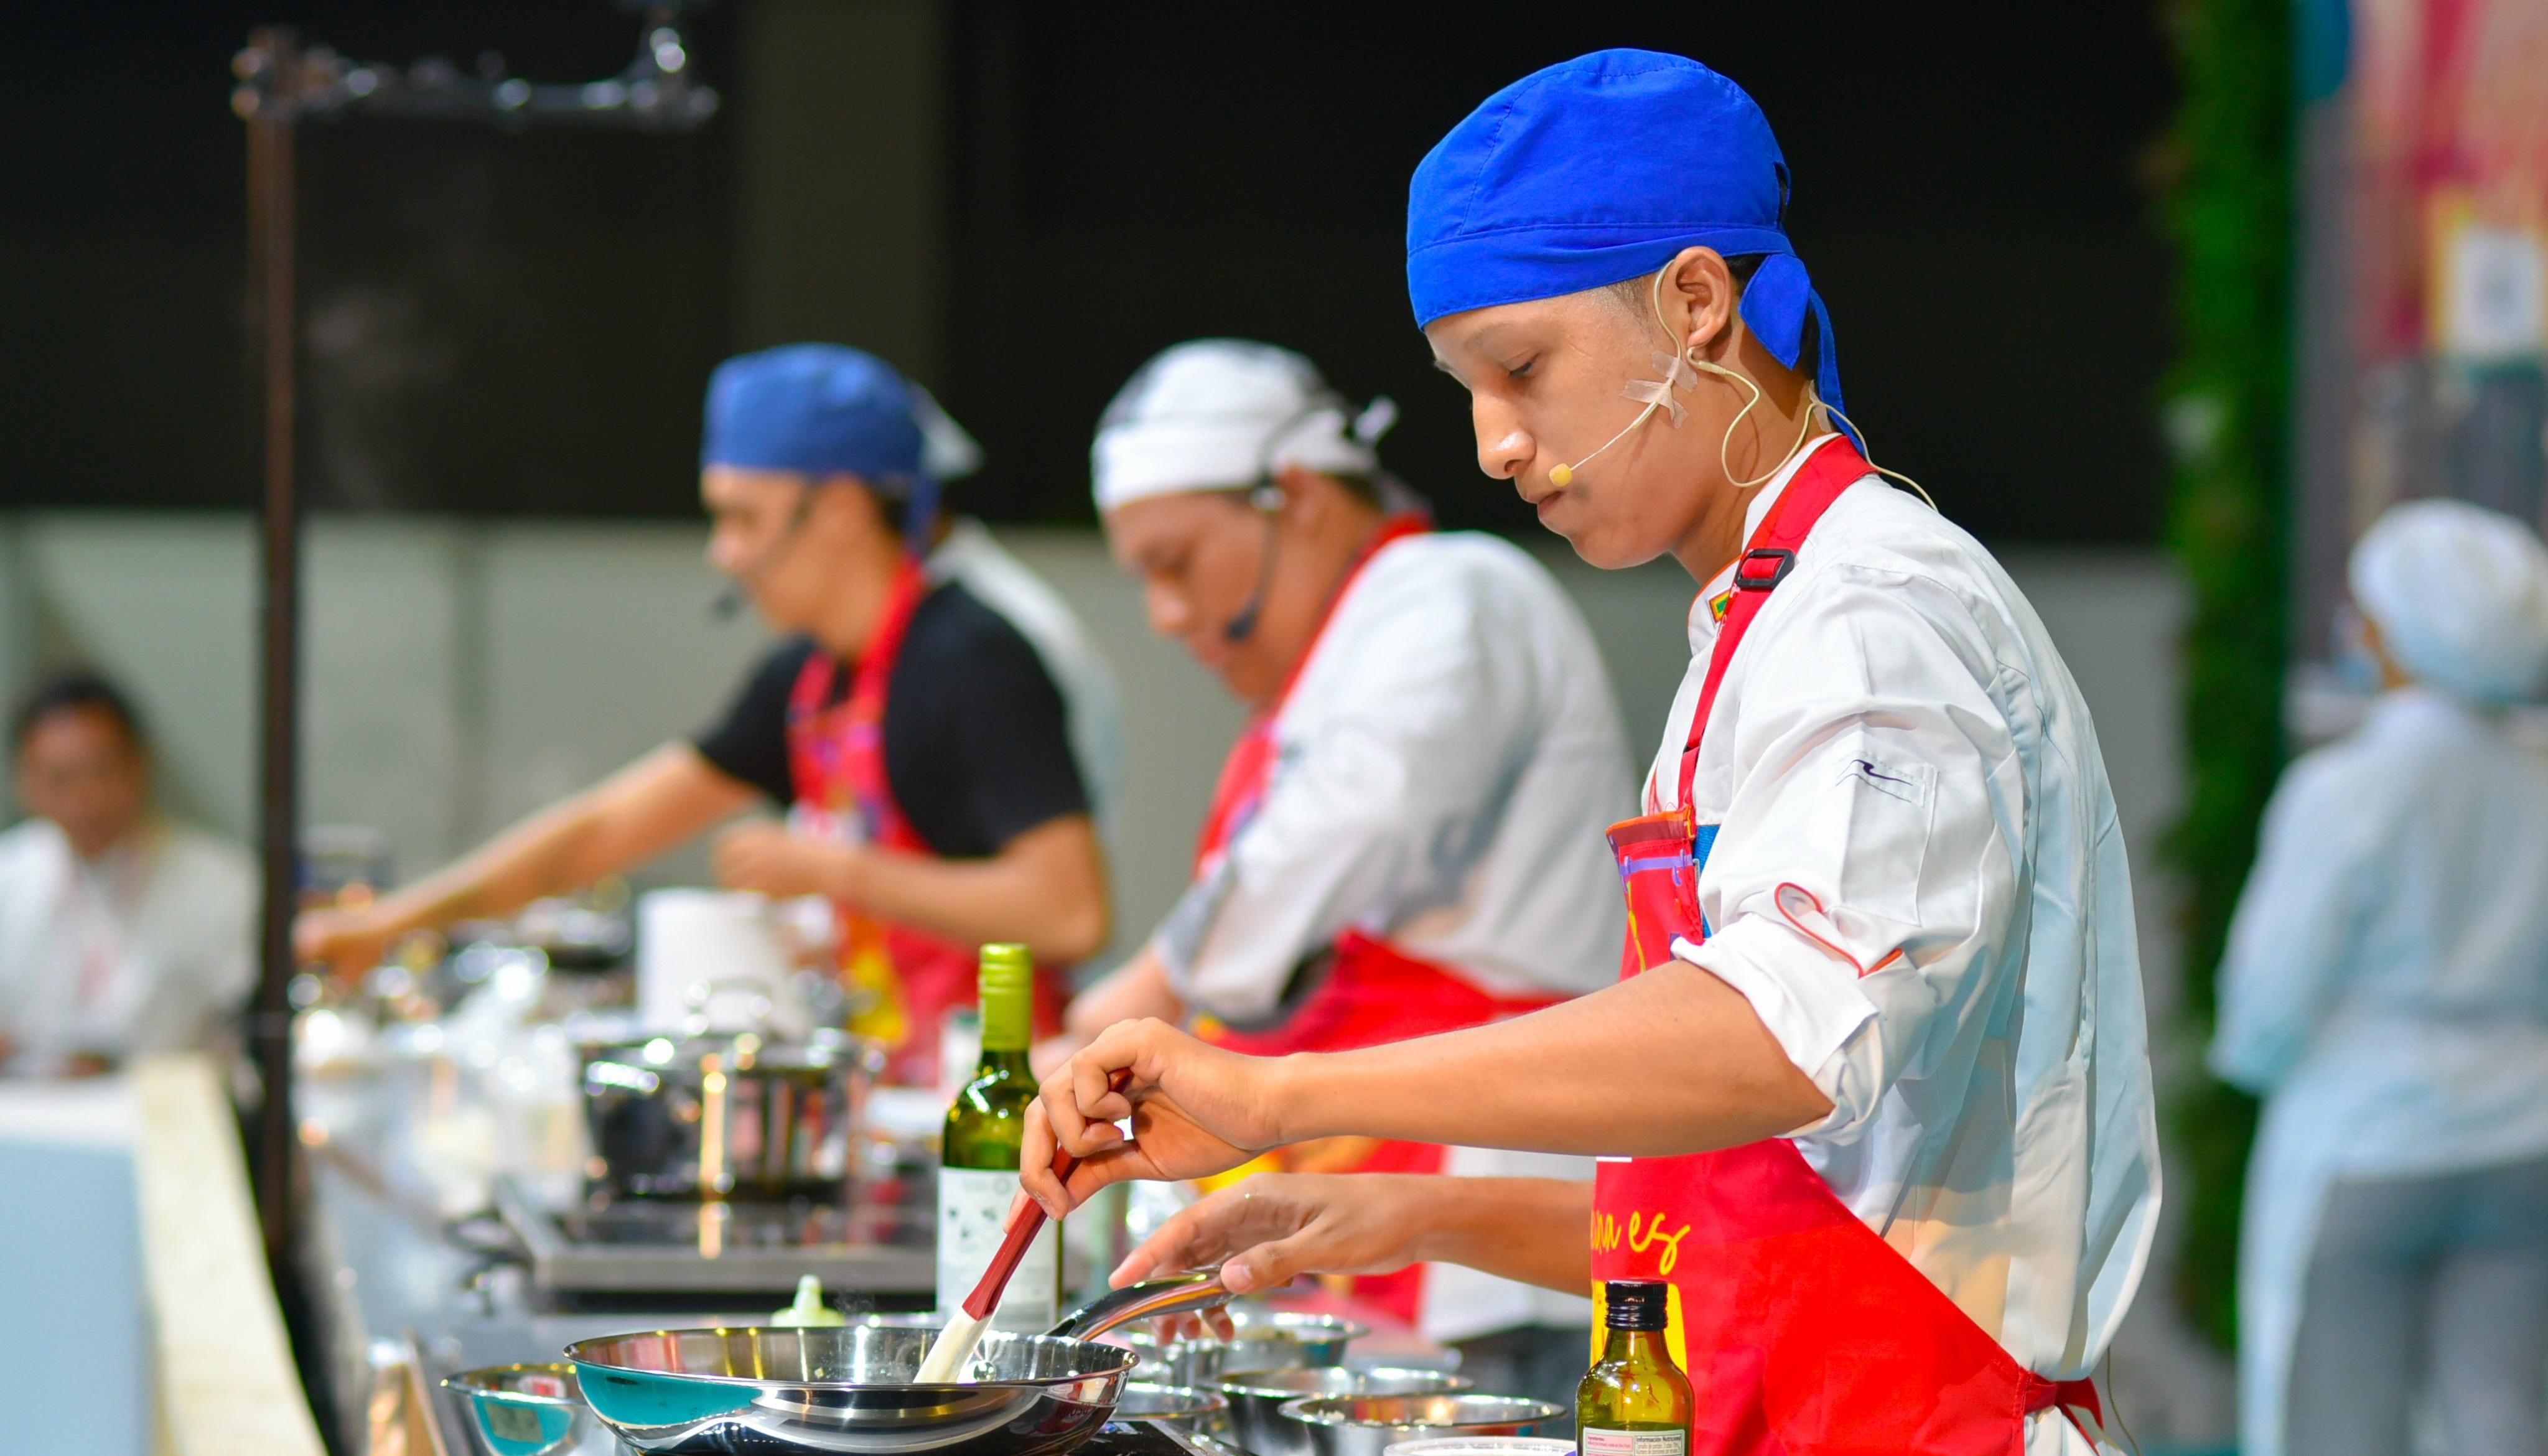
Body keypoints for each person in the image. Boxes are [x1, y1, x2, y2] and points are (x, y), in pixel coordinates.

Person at [1022, 51, 2158, 1456]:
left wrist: (1279, 1094)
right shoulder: (1754, 624)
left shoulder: (1874, 615)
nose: (1494, 446)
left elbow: (1784, 1037)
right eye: (1466, 389)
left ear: (1696, 301)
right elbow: (1763, 1220)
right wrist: (1407, 1210)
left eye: (1522, 370)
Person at [296, 345, 1121, 1084]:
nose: (723, 554)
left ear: (839, 506)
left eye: (744, 518)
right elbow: (601, 832)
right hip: (891, 1085)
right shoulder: (808, 678)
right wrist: (394, 924)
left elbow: (1068, 911)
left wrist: (836, 871)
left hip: (997, 1104)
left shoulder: (973, 662)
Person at [1059, 338, 1634, 1376]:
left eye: (1177, 563)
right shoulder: (1341, 653)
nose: (1167, 616)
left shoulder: (1453, 592)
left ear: (1295, 496)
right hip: (1373, 1207)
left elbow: (1351, 823)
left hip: (1491, 1239)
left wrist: (1150, 986)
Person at [2211, 500, 2548, 1456]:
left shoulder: (2346, 787)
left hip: (2365, 1134)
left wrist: (2251, 1061)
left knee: (2336, 1421)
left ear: (2399, 635)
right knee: (2499, 1418)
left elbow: (2268, 996)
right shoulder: (2535, 783)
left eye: (2364, 613)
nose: (2351, 630)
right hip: (2523, 1132)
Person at [0, 671, 256, 1076]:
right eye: (60, 779)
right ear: (24, 780)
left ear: (140, 765)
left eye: (101, 771)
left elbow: (245, 1028)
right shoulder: (8, 878)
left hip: (172, 1102)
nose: (84, 799)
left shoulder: (223, 884)